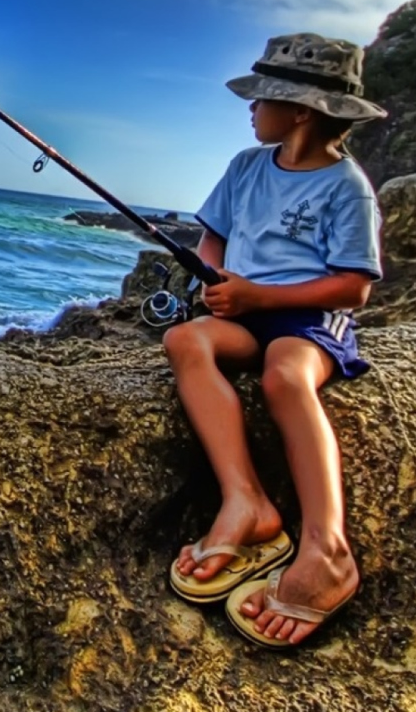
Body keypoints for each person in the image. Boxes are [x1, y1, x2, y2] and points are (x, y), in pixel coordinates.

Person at [164, 32, 386, 649]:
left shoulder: (347, 187)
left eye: (263, 99)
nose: (251, 109)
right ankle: (247, 503)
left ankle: (327, 548)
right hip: (244, 311)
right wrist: (214, 280)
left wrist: (263, 299)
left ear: (301, 113)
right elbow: (214, 239)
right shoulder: (245, 167)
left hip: (306, 318)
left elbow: (352, 288)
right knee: (188, 343)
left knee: (285, 375)